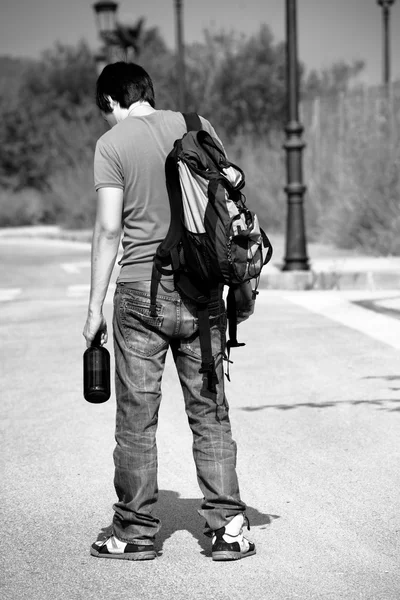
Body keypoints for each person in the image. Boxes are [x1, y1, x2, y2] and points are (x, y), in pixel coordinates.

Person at [83, 62, 256, 562]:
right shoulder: (198, 126)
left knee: (137, 419)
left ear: (112, 103)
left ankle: (135, 533)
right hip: (203, 295)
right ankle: (229, 529)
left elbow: (110, 229)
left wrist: (94, 307)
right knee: (211, 412)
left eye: (106, 114)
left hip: (141, 293)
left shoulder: (112, 146)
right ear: (148, 94)